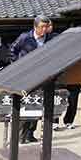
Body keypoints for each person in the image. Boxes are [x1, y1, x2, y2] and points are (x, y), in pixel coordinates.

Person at [11, 15, 54, 143]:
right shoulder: (25, 37)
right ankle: (20, 134)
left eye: (46, 26)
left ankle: (30, 133)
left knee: (37, 103)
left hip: (42, 75)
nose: (44, 29)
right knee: (25, 103)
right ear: (35, 27)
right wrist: (17, 65)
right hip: (25, 75)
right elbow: (13, 50)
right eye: (42, 27)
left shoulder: (50, 38)